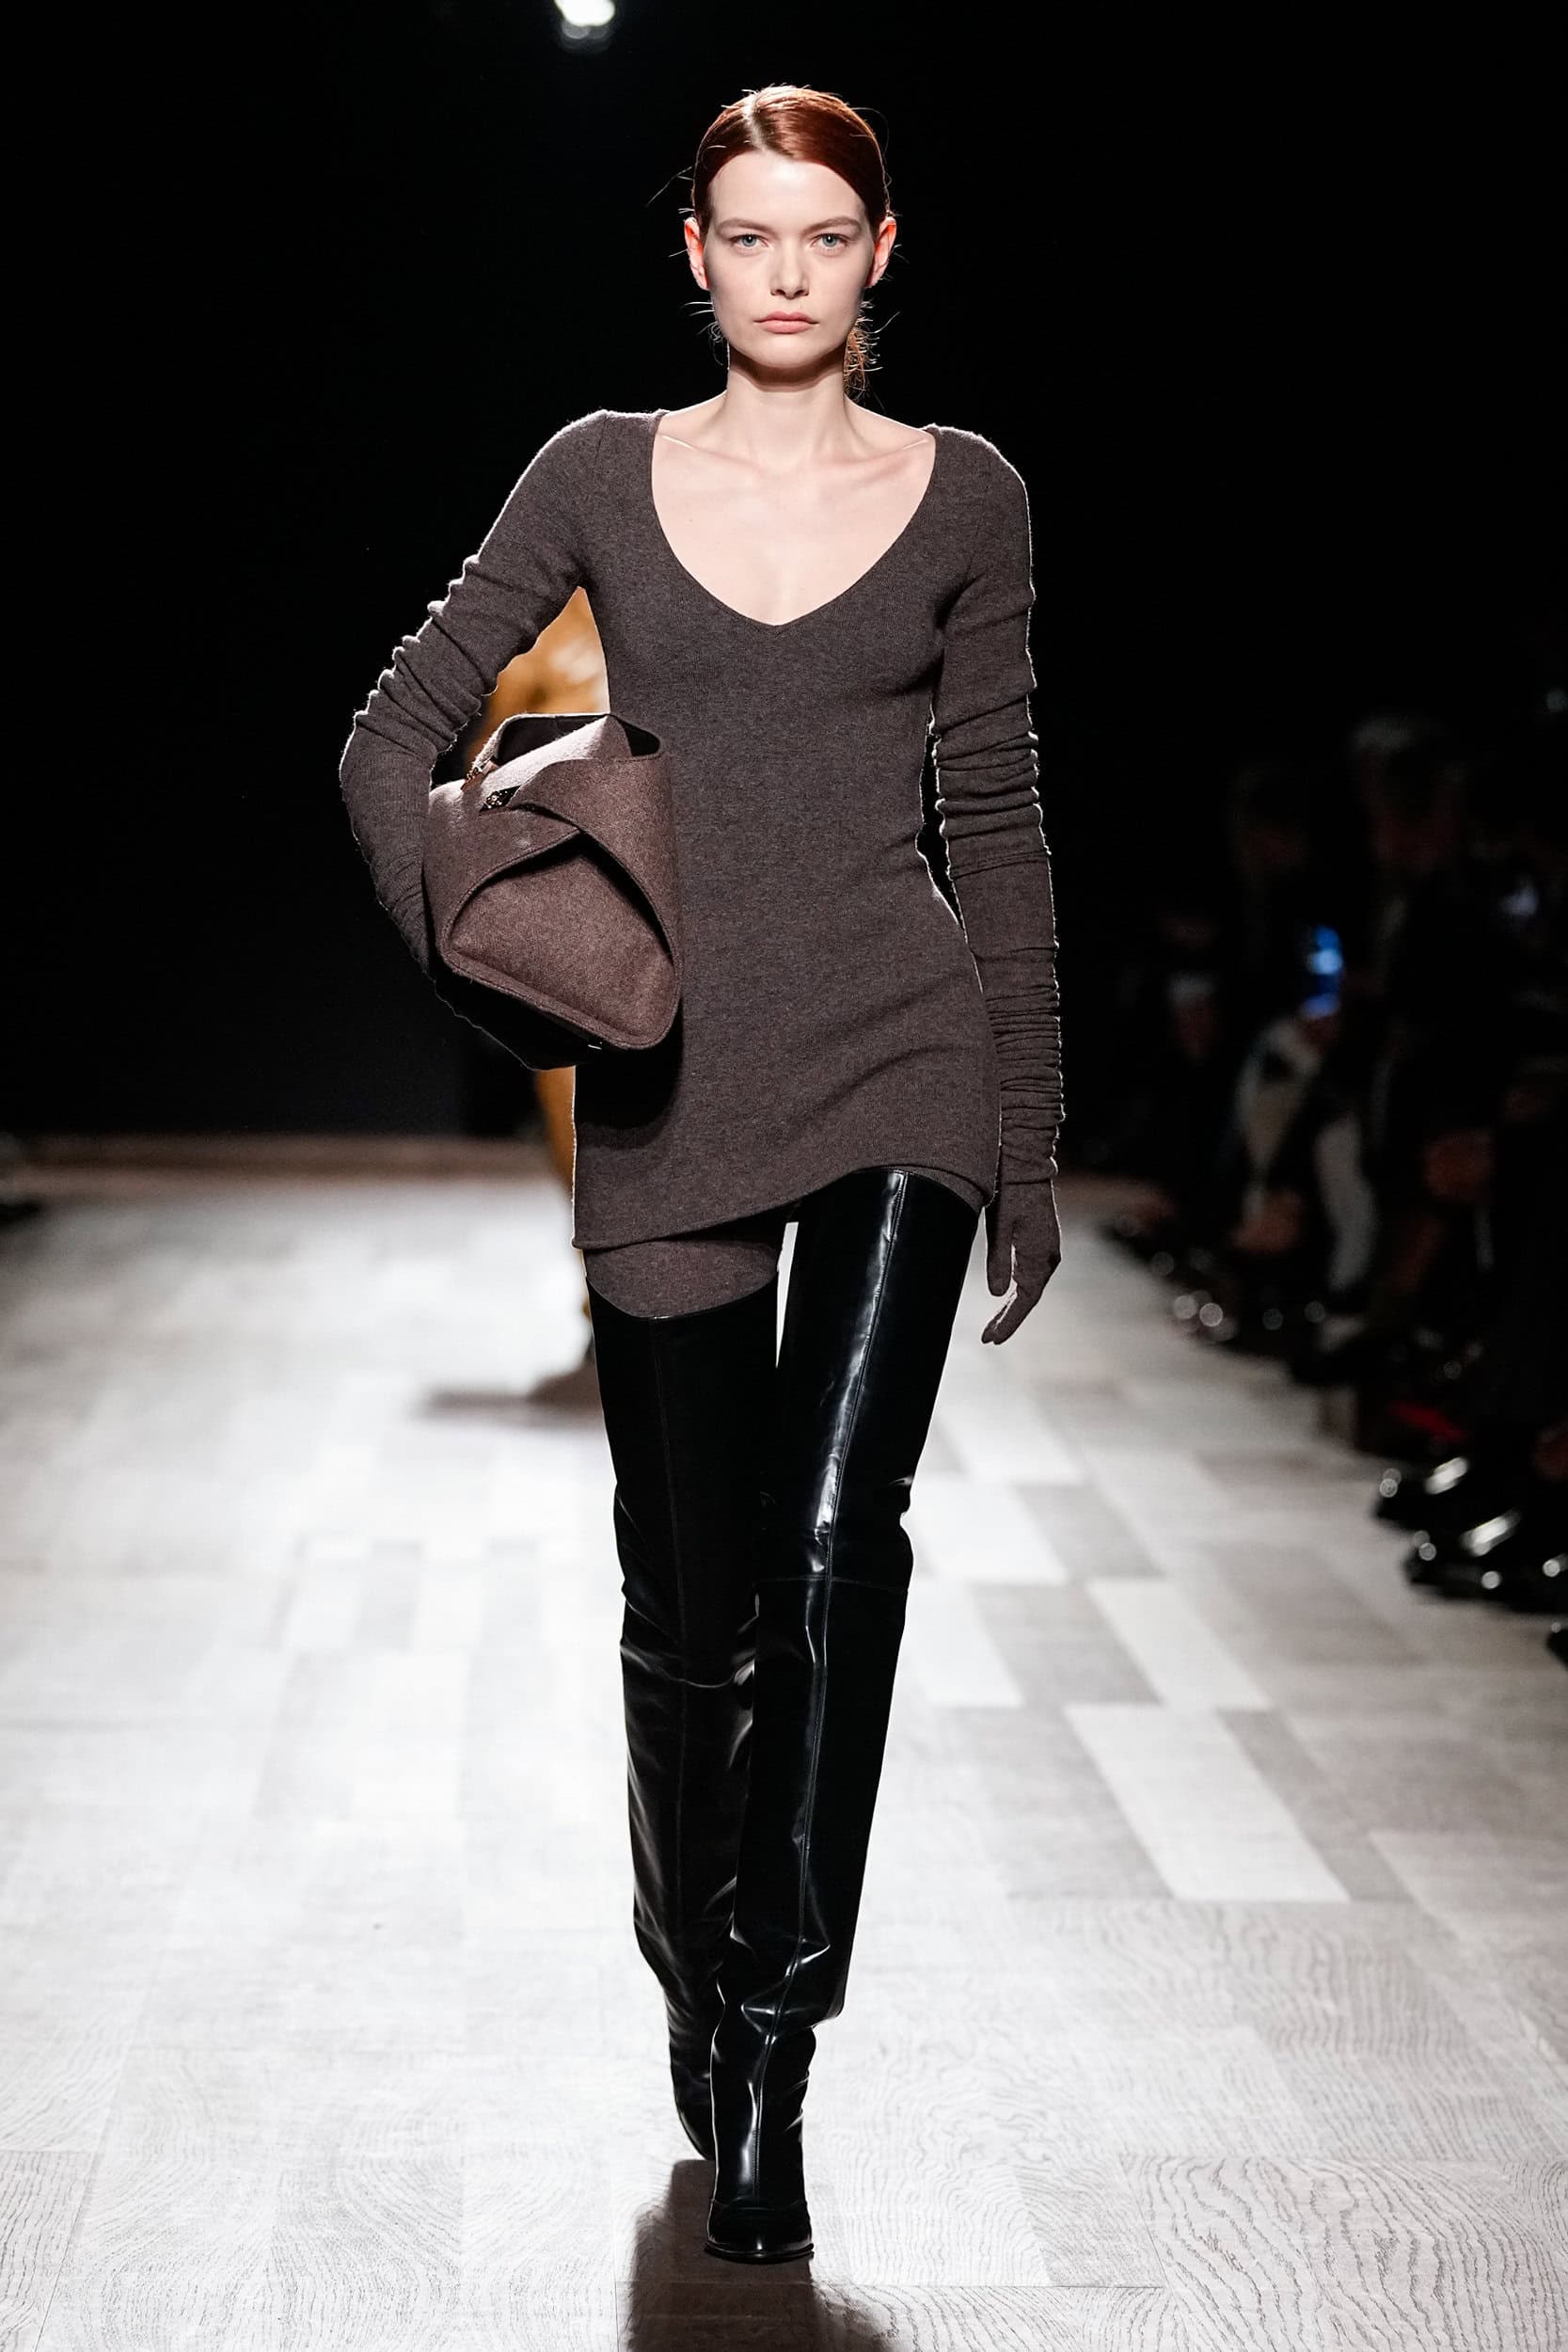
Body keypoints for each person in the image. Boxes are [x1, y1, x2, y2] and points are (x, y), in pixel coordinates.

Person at [339, 83, 1065, 2266]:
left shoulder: (967, 493)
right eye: (748, 233)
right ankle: (695, 1940)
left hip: (900, 1052)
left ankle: (773, 2032)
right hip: (668, 1080)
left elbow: (999, 815)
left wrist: (1023, 1131)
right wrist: (495, 955)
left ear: (879, 251)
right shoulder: (598, 470)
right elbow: (393, 733)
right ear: (696, 253)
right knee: (689, 1604)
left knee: (836, 1541)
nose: (784, 270)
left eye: (822, 234)